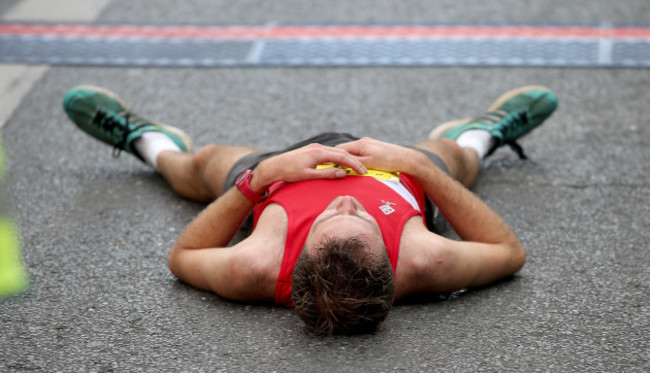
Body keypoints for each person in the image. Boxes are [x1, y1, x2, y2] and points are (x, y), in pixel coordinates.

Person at [62, 84, 558, 334]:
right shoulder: (425, 260)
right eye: (357, 217)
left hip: (280, 177)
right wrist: (418, 168)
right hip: (393, 173)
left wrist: (261, 178)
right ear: (393, 264)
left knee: (204, 164)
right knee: (453, 162)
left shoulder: (254, 267)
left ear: (296, 259)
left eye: (332, 218)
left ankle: (147, 141)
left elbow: (182, 255)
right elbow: (508, 251)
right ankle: (484, 133)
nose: (344, 197)